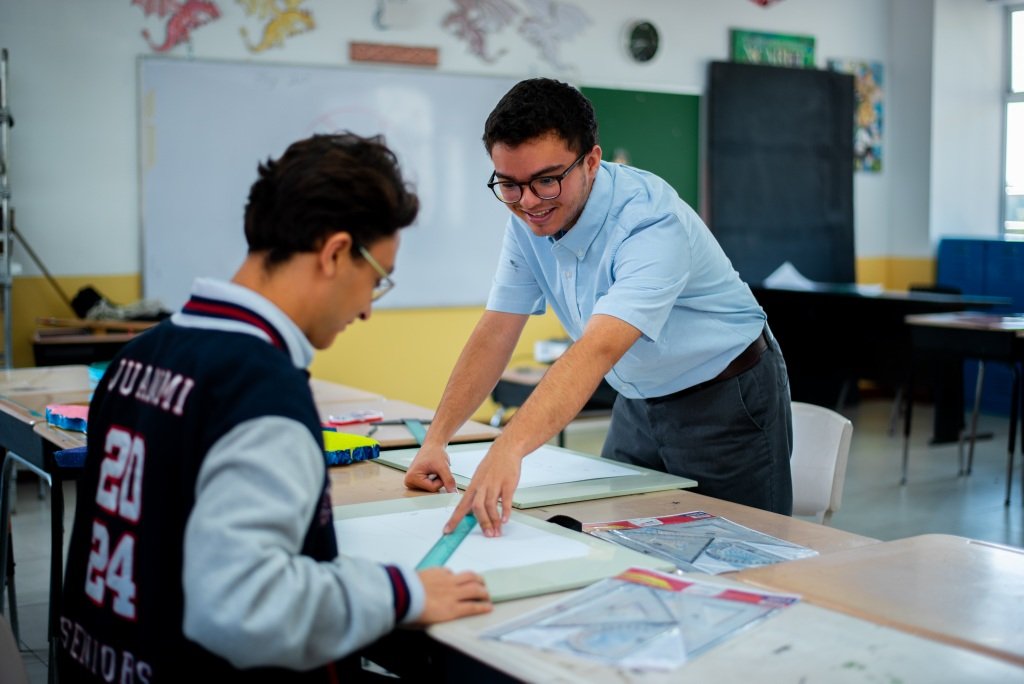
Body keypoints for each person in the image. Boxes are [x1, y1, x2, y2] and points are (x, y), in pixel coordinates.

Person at [59, 133, 491, 682]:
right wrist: (399, 591)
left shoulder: (138, 357)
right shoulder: (259, 391)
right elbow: (242, 608)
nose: (366, 313)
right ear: (336, 253)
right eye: (376, 281)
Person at [405, 78, 793, 535]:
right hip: (637, 398)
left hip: (725, 397)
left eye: (546, 181)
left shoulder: (649, 223)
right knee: (618, 541)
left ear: (591, 160)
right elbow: (497, 329)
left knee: (740, 554)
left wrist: (506, 450)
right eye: (509, 184)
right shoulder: (531, 218)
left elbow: (598, 349)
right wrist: (437, 439)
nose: (528, 201)